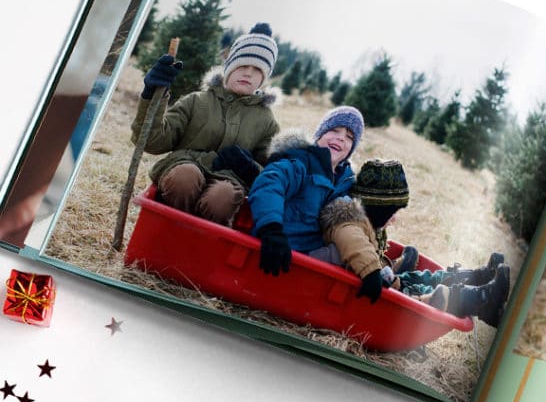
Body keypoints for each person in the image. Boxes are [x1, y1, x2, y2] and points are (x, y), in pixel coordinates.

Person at [314, 158, 511, 325]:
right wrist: (373, 271)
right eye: (392, 212)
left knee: (421, 279)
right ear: (377, 207)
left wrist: (384, 272)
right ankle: (483, 301)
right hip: (372, 297)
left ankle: (477, 277)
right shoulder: (346, 222)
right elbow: (353, 241)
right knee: (438, 295)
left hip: (384, 283)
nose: (394, 218)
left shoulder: (361, 222)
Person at [132, 23, 280, 225]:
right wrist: (152, 96)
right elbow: (153, 141)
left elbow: (272, 173)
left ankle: (199, 244)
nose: (248, 73)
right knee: (185, 177)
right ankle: (167, 230)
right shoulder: (197, 101)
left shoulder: (266, 121)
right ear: (229, 67)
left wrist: (250, 167)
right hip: (184, 167)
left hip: (228, 180)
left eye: (257, 70)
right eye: (243, 66)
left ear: (263, 78)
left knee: (223, 197)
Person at [246, 105, 364, 277]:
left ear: (351, 149)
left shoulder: (346, 182)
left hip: (312, 259)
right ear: (320, 135)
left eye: (349, 137)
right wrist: (271, 229)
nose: (340, 138)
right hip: (278, 247)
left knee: (348, 249)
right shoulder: (301, 162)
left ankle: (386, 273)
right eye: (335, 130)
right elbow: (271, 184)